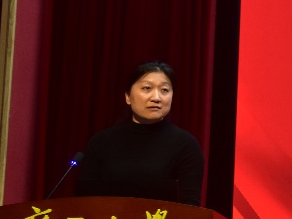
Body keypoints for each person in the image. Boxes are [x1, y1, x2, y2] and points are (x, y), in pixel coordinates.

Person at [74, 61, 205, 205]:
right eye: (147, 88)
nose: (156, 98)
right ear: (128, 97)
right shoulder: (101, 142)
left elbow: (190, 207)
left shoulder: (186, 145)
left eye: (164, 90)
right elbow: (84, 202)